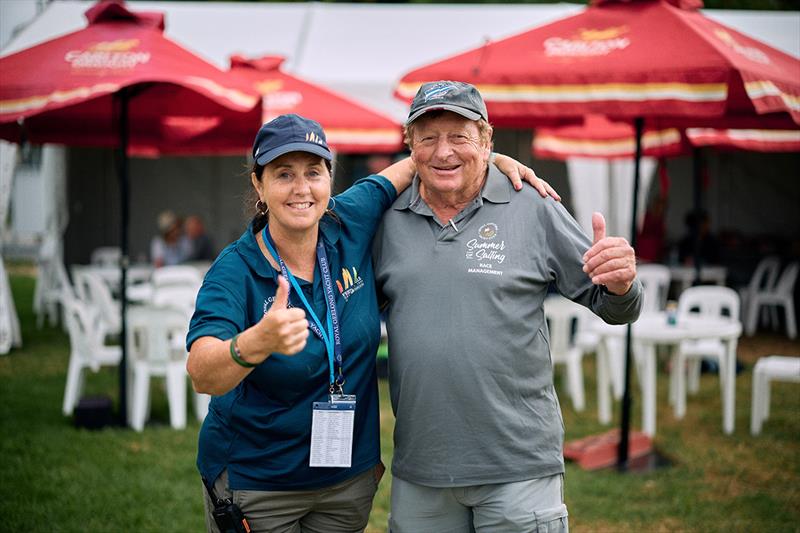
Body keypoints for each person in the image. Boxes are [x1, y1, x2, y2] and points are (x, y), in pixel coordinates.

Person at [185, 113, 556, 533]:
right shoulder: (235, 271)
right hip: (261, 486)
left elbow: (424, 159)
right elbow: (202, 372)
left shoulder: (350, 219)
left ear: (330, 177)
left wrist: (492, 160)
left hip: (345, 484)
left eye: (313, 172)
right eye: (283, 174)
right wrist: (254, 343)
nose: (301, 188)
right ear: (259, 185)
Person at [373, 81, 643, 532]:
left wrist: (620, 285)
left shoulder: (533, 206)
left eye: (459, 137)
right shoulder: (386, 218)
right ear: (409, 146)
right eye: (428, 137)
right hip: (422, 468)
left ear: (487, 140)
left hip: (518, 466)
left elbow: (615, 308)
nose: (444, 152)